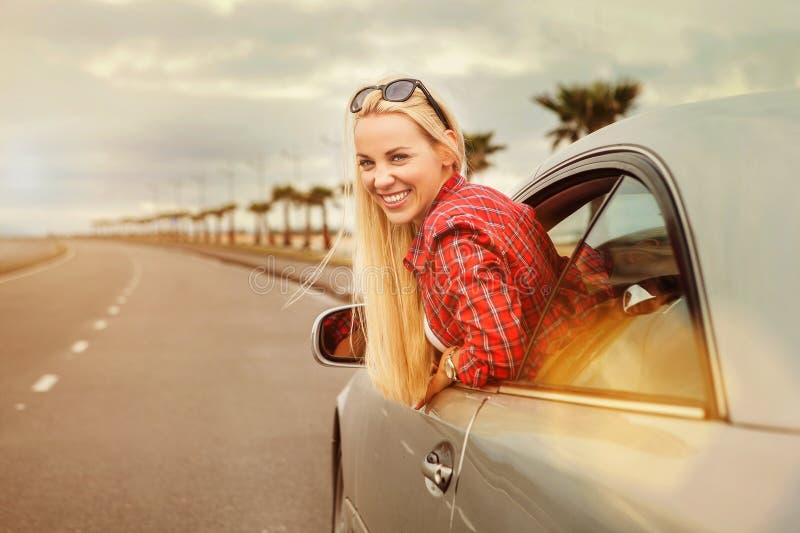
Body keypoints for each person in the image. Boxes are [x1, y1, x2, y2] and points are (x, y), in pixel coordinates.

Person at [345, 76, 605, 408]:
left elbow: (498, 355)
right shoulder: (483, 201)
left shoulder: (451, 235)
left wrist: (447, 369)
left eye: (398, 158)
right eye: (367, 163)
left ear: (446, 151)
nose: (379, 179)